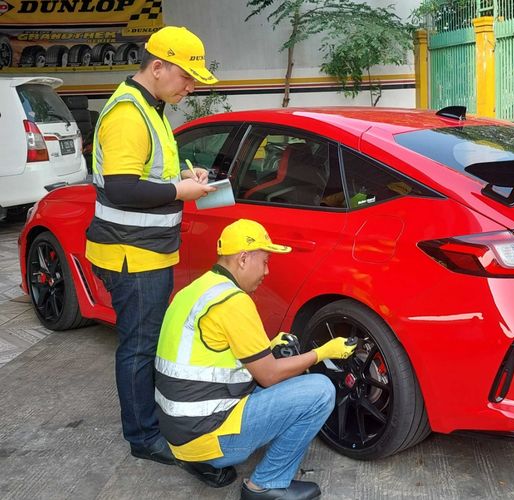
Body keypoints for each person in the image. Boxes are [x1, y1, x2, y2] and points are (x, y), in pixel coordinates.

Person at [86, 26, 218, 465]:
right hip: (131, 255)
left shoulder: (152, 107)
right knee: (139, 348)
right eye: (186, 76)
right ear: (157, 67)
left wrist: (187, 176)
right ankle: (143, 438)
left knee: (143, 343)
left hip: (145, 250)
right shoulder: (128, 114)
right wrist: (179, 193)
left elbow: (149, 173)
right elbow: (123, 189)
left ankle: (146, 422)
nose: (191, 86)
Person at [155, 219, 354, 500]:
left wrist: (268, 348)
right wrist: (323, 352)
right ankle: (265, 485)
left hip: (179, 433)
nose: (267, 271)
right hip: (205, 436)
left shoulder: (196, 291)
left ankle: (204, 460)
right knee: (320, 391)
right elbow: (269, 376)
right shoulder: (233, 301)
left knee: (282, 372)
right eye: (265, 261)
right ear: (244, 258)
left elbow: (214, 356)